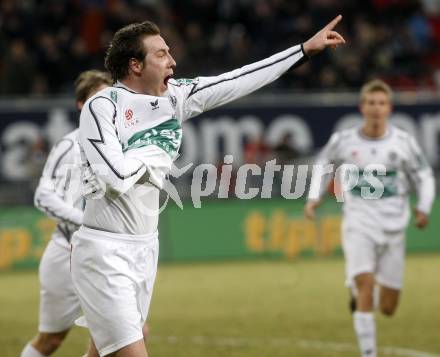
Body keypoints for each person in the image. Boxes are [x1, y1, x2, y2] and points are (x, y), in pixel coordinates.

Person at [72, 16, 345, 357]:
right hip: (104, 251)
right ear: (135, 65)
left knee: (102, 352)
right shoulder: (103, 106)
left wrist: (303, 50)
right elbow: (112, 179)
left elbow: (238, 79)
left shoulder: (176, 97)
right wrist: (154, 156)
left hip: (144, 249)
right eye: (161, 54)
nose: (172, 60)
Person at [304, 79, 435, 357]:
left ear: (389, 108)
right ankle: (368, 353)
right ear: (362, 107)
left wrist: (423, 207)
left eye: (382, 103)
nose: (376, 109)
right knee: (365, 283)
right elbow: (322, 166)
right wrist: (314, 199)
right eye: (371, 103)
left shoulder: (403, 142)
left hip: (394, 229)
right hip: (358, 224)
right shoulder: (344, 141)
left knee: (387, 307)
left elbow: (424, 176)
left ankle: (360, 294)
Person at [20, 70, 113, 357]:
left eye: (109, 97)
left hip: (107, 254)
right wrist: (85, 221)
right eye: (97, 97)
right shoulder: (69, 146)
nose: (105, 104)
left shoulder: (117, 143)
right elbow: (43, 196)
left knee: (117, 336)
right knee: (50, 341)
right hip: (67, 253)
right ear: (81, 105)